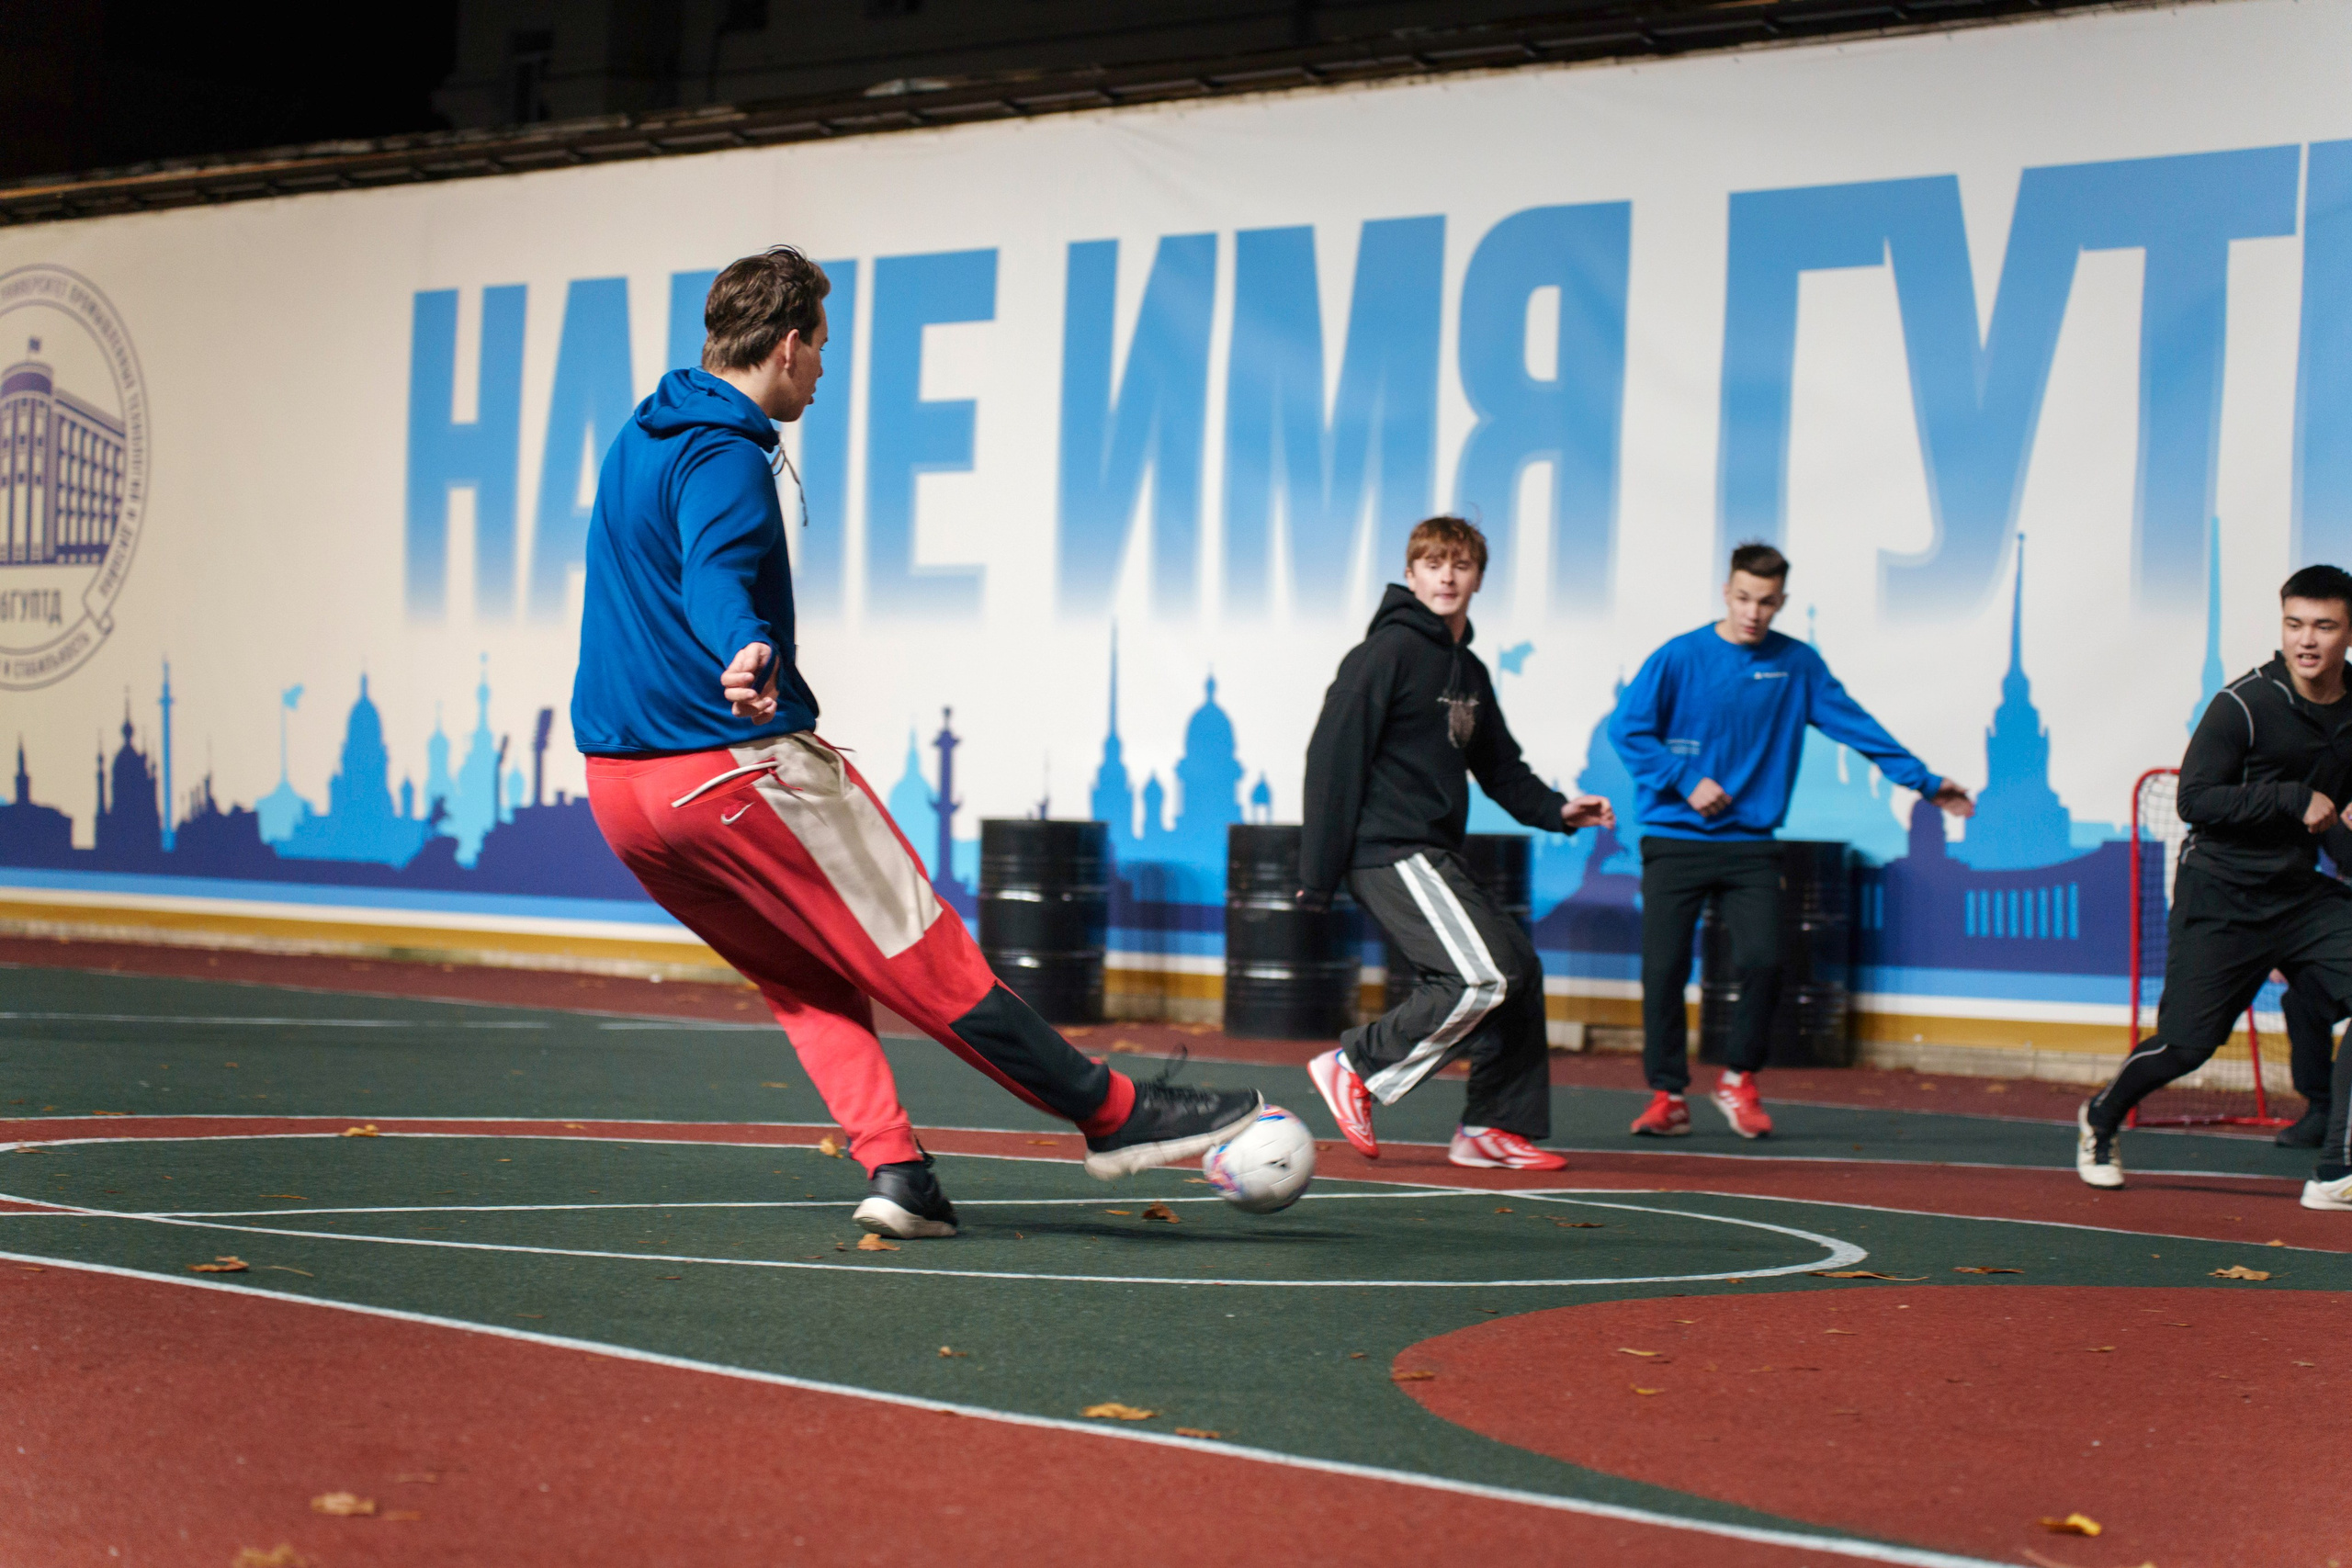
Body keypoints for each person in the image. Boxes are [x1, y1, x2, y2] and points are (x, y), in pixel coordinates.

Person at [571, 246, 1260, 1240]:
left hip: (622, 798)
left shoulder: (641, 433)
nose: (823, 373)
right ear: (792, 341)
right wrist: (744, 644)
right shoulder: (726, 452)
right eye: (822, 352)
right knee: (923, 956)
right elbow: (716, 575)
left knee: (805, 981)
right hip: (728, 767)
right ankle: (1117, 1118)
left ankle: (897, 1170)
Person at [1611, 541, 1973, 1139]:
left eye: (1767, 602)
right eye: (1745, 597)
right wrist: (1684, 779)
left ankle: (1738, 1080)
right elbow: (1628, 731)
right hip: (1674, 839)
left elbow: (1858, 726)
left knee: (1763, 959)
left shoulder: (1798, 665)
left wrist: (1925, 782)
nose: (1754, 612)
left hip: (1751, 842)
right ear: (1727, 593)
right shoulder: (1678, 657)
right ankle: (1667, 1094)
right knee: (1664, 969)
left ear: (1781, 602)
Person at [1297, 516, 1615, 1170]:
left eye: (1461, 565)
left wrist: (1558, 809)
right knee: (1481, 973)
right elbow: (1331, 759)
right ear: (1410, 574)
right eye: (1433, 562)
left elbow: (1499, 767)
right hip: (1385, 848)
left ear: (1477, 580)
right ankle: (1354, 1065)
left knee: (1518, 972)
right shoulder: (1383, 654)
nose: (1447, 575)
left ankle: (1490, 1126)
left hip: (1430, 851)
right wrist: (1318, 873)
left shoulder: (1466, 668)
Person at [2078, 564, 2352, 1212]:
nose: (2306, 640)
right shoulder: (2243, 705)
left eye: (2323, 625)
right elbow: (2197, 800)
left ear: (2348, 631)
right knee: (2186, 1046)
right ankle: (2100, 1116)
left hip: (2299, 891)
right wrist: (2293, 797)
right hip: (2221, 892)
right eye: (2294, 624)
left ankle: (2337, 1168)